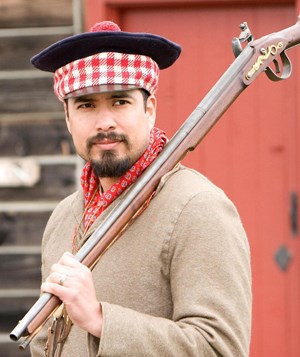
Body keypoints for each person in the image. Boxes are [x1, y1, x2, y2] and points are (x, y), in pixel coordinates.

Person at [29, 20, 251, 357]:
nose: (104, 121)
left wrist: (101, 319)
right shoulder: (63, 218)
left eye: (120, 102)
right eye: (86, 105)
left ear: (149, 110)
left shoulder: (199, 207)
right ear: (68, 119)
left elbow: (221, 348)